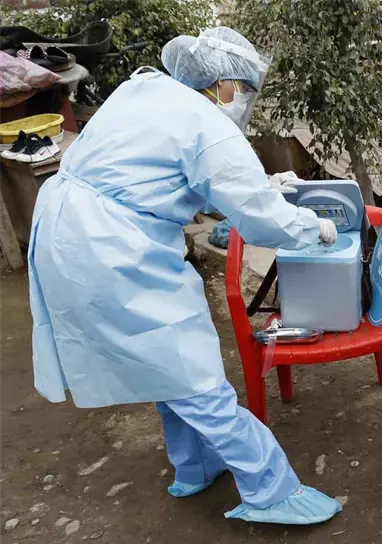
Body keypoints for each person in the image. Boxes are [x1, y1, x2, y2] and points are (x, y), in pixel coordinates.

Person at [27, 27, 342, 525]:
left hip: (72, 230)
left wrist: (262, 185)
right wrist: (313, 225)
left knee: (163, 363)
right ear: (223, 84)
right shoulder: (206, 124)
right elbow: (260, 218)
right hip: (112, 248)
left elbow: (164, 173)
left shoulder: (145, 87)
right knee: (188, 367)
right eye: (243, 88)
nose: (242, 100)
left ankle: (194, 466)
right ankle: (270, 489)